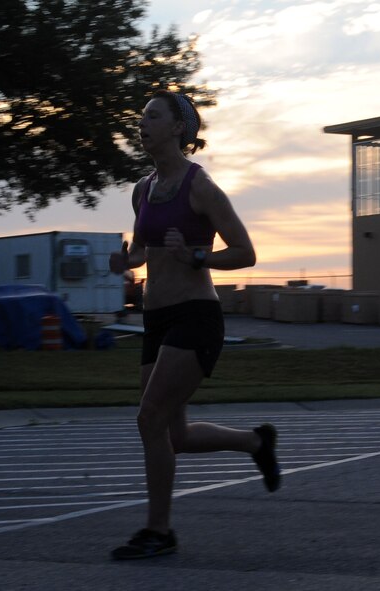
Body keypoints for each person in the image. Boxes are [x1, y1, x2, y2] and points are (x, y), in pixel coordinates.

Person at [108, 90, 281, 559]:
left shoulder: (200, 187)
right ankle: (255, 442)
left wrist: (198, 254)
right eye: (140, 116)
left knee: (149, 417)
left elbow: (245, 252)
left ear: (178, 128)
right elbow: (148, 252)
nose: (141, 123)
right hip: (156, 318)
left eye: (152, 116)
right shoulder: (142, 189)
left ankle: (159, 532)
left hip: (196, 316)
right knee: (173, 435)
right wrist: (127, 260)